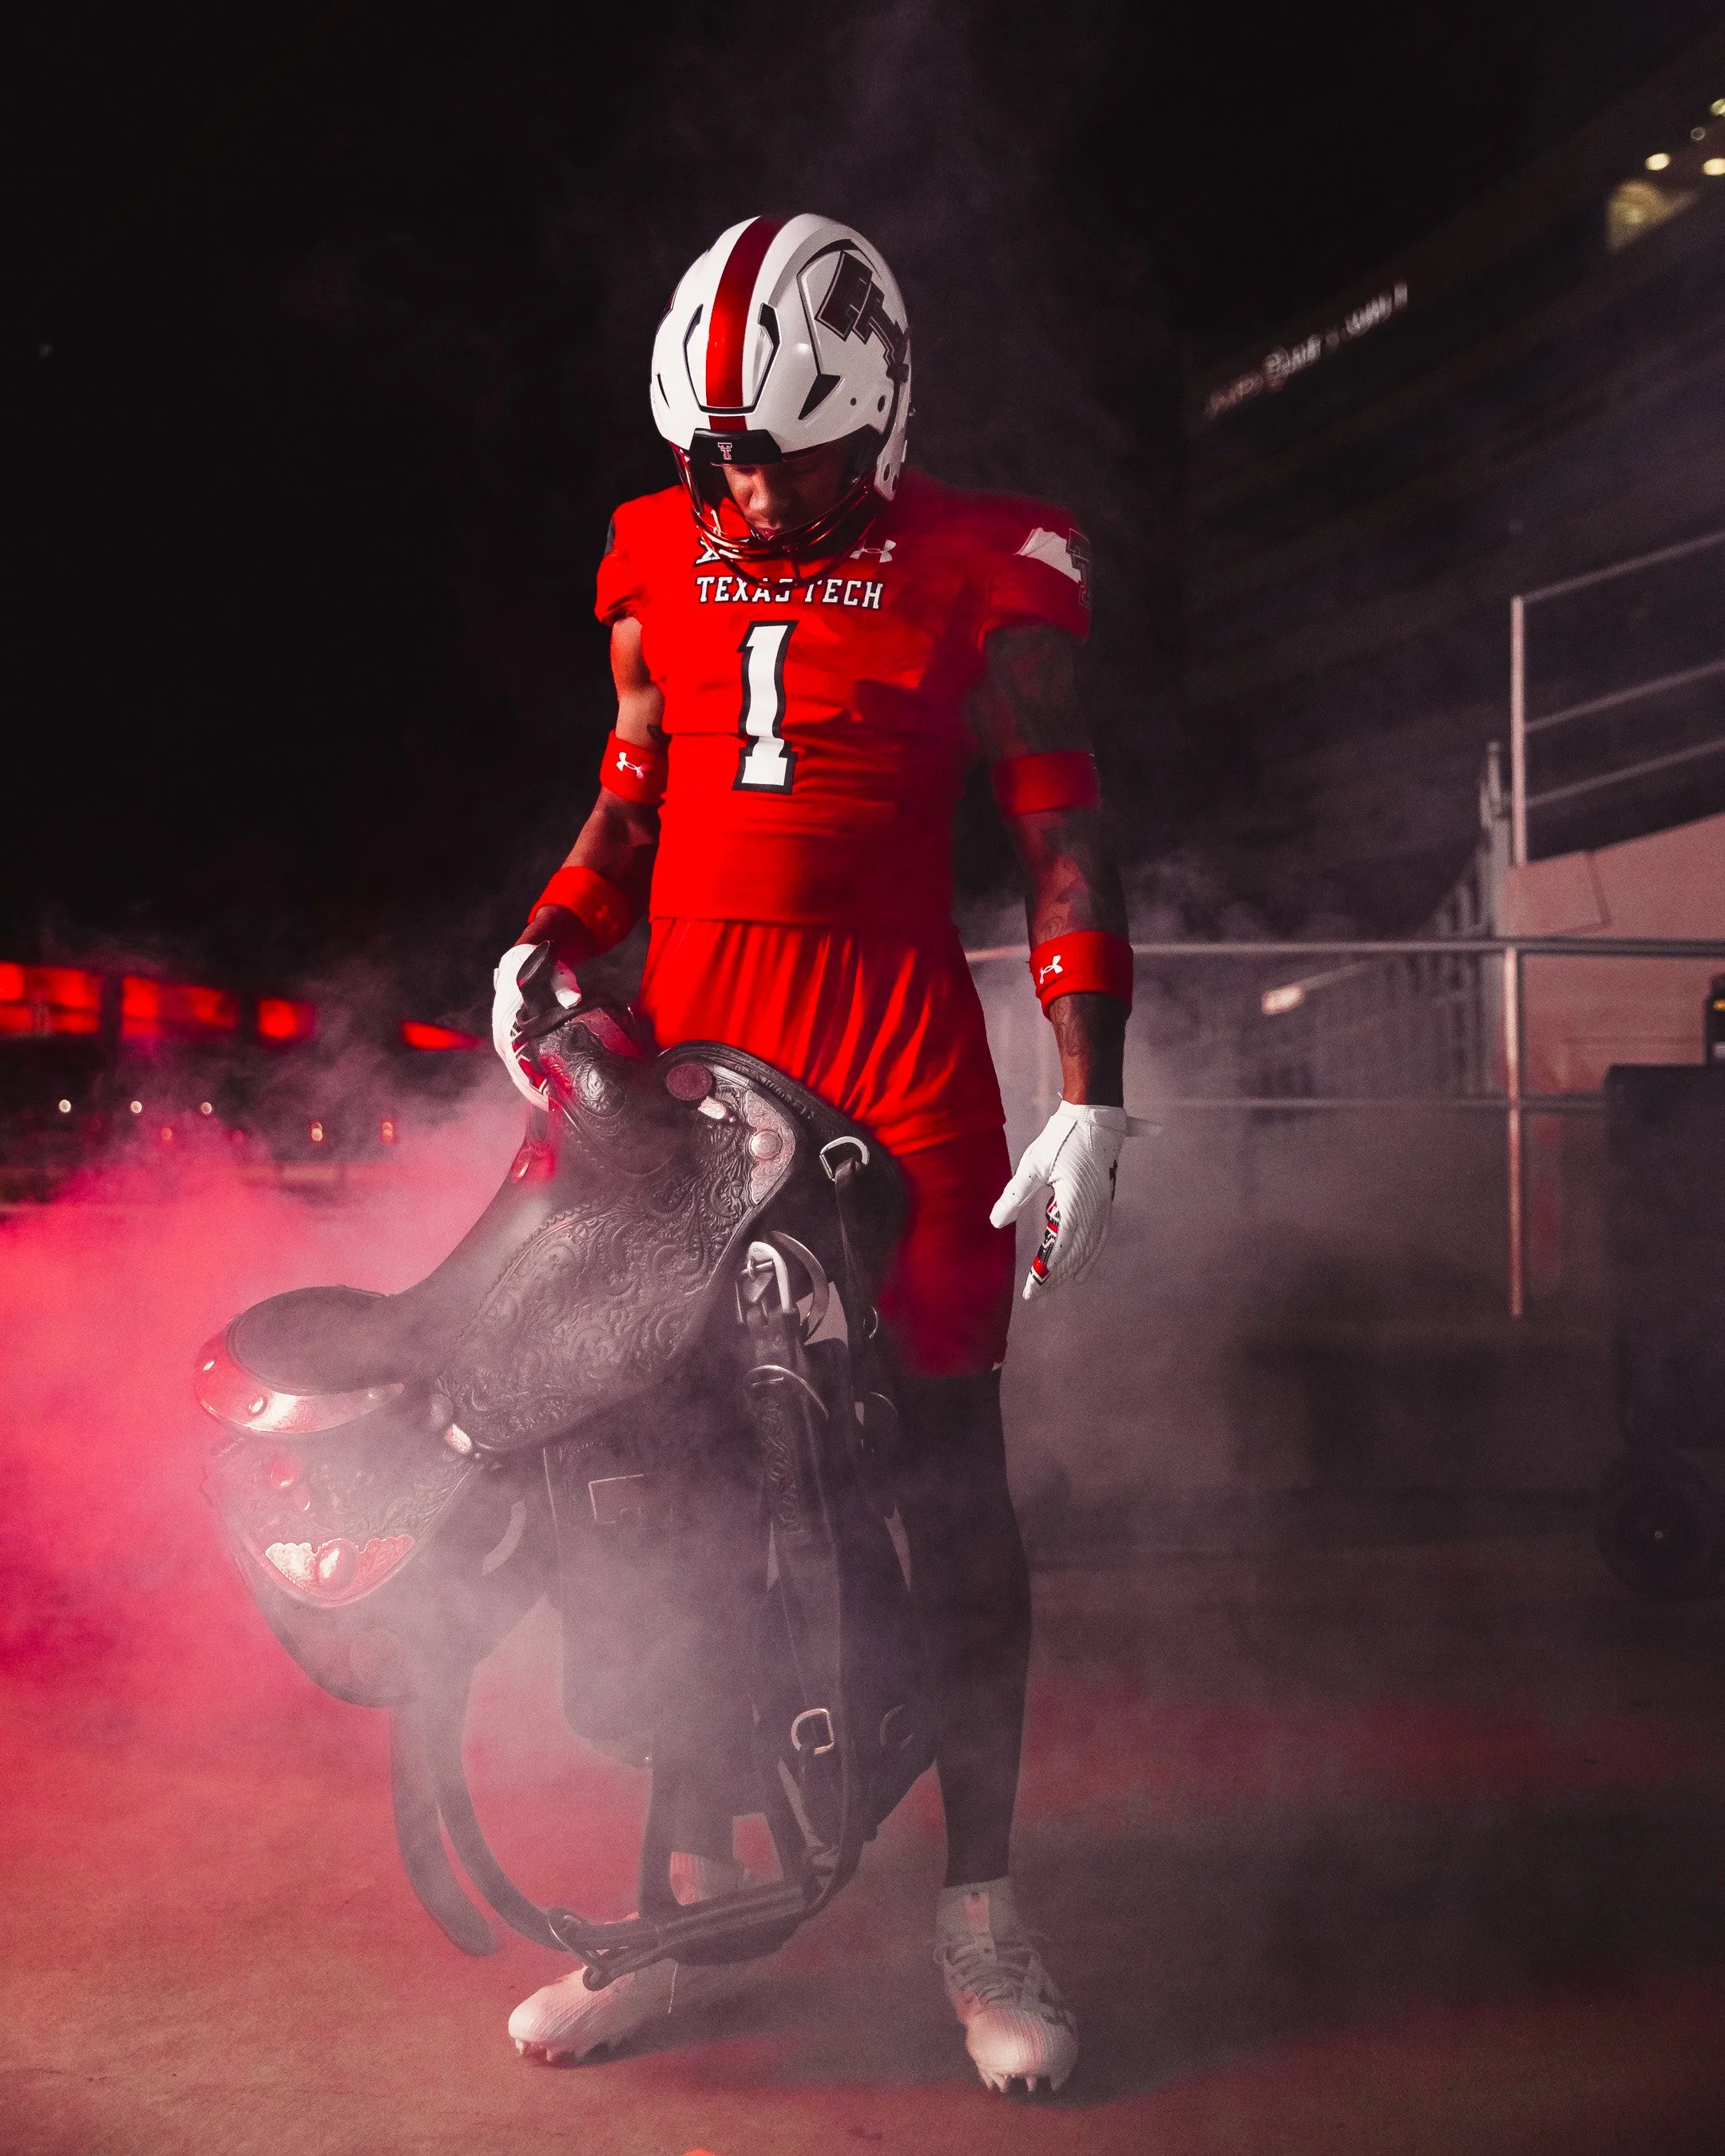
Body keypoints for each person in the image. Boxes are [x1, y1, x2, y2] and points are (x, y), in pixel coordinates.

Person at [489, 214, 1142, 2096]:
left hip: (901, 1067)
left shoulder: (986, 564)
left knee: (950, 1505)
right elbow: (632, 798)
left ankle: (980, 1905)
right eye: (716, 452)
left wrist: (1093, 1081)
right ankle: (687, 1906)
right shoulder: (652, 551)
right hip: (695, 1077)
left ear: (878, 409)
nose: (741, 485)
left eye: (776, 446)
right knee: (687, 1508)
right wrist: (553, 930)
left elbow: (1066, 844)